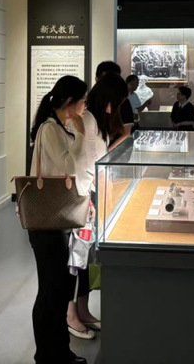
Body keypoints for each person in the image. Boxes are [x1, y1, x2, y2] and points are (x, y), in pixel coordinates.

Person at [29, 76, 90, 364]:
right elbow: (68, 166)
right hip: (48, 223)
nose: (85, 106)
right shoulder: (50, 129)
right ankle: (47, 355)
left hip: (58, 219)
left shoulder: (58, 128)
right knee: (50, 290)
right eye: (83, 100)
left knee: (59, 289)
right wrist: (81, 136)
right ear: (70, 102)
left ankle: (60, 352)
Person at [66, 73, 128, 341]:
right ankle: (71, 314)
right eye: (117, 101)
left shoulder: (96, 121)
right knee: (76, 259)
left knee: (85, 259)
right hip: (82, 199)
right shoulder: (88, 120)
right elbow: (87, 162)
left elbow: (97, 158)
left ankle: (82, 310)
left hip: (89, 197)